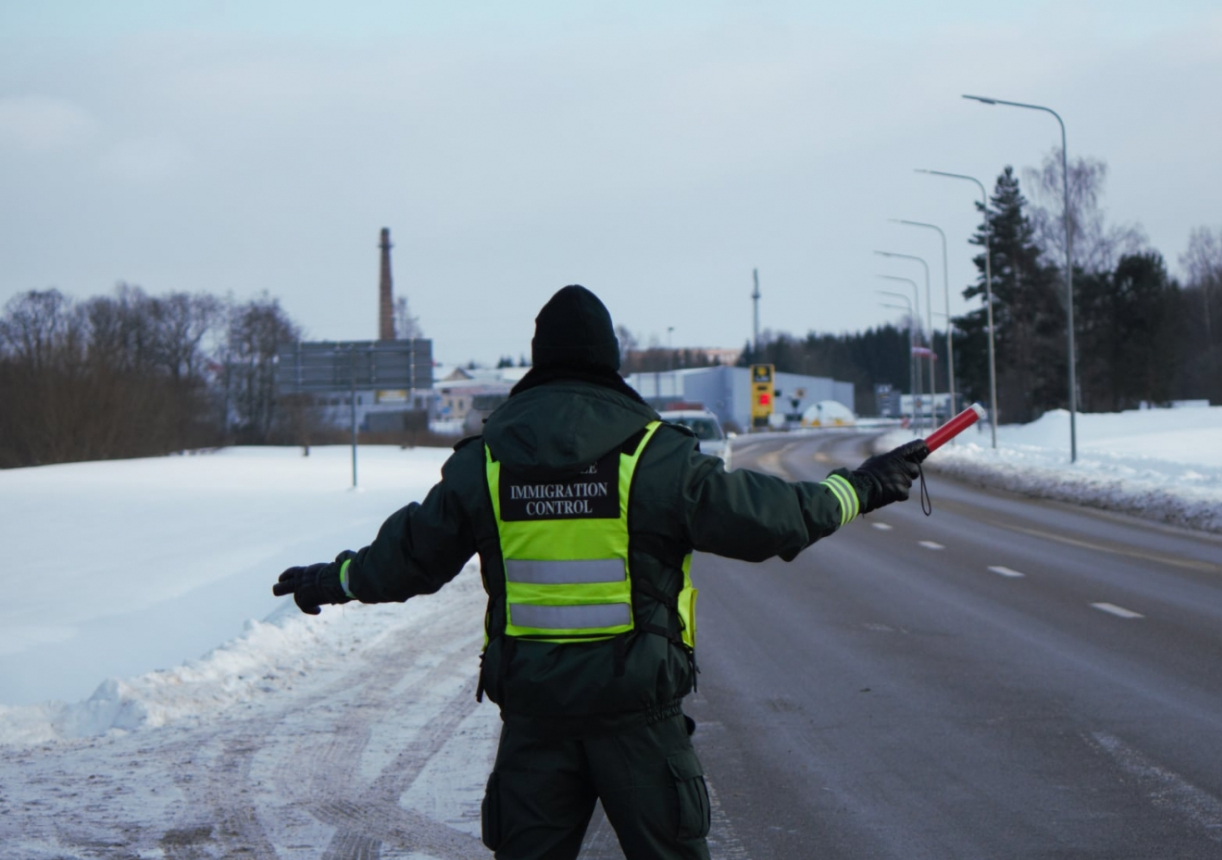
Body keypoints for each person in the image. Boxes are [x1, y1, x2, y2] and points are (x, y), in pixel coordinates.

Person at [273, 285, 927, 860]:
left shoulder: (488, 462)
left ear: (540, 361)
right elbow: (774, 519)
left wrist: (331, 580)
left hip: (535, 723)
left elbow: (407, 561)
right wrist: (862, 487)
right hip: (637, 718)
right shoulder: (652, 456)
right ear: (610, 362)